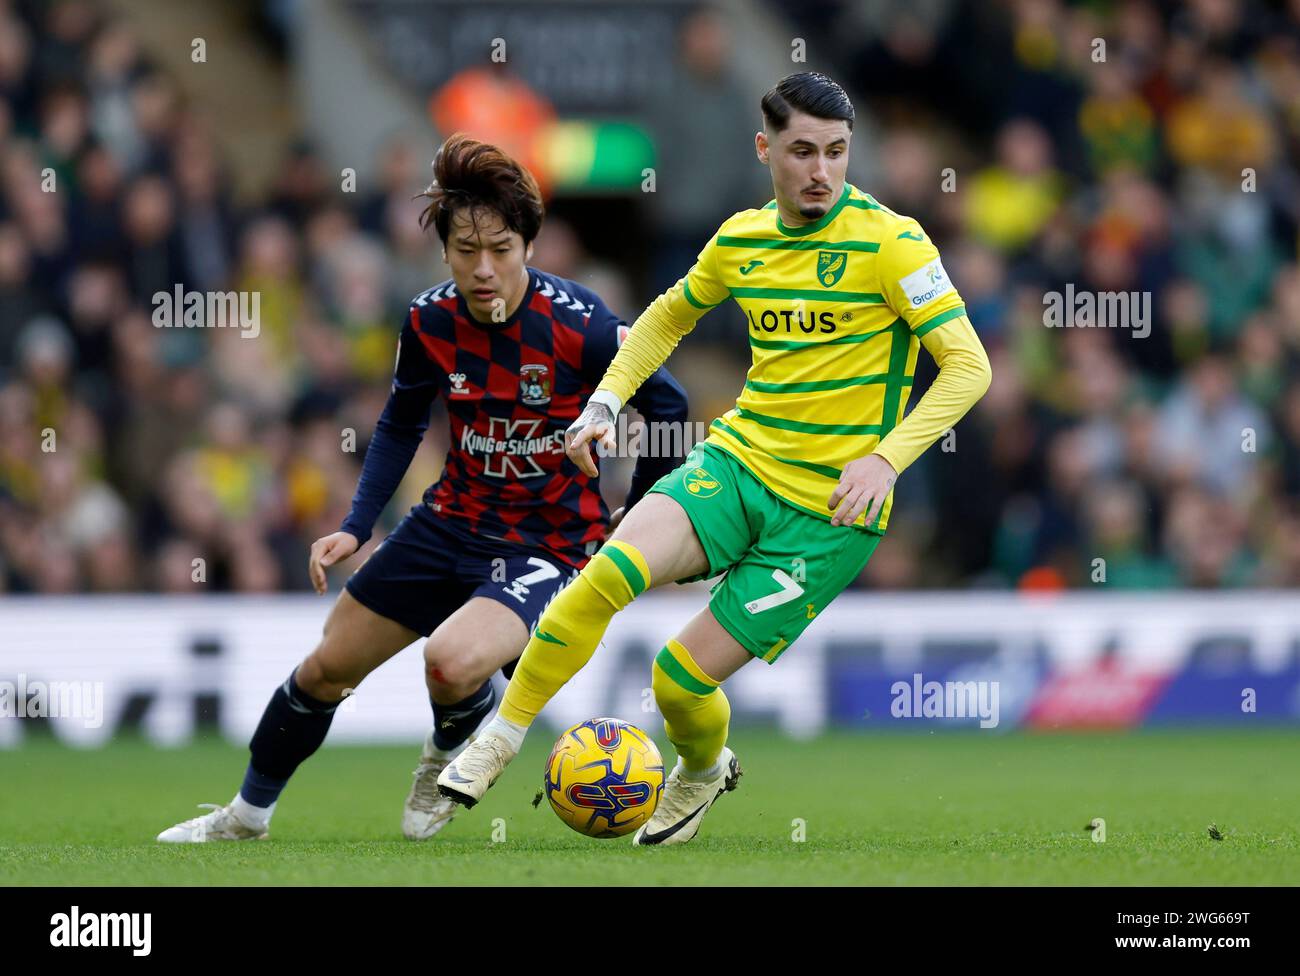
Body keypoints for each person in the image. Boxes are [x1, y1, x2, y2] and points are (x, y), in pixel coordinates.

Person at [437, 73, 993, 846]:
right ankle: (500, 735)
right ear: (766, 149)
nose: (820, 171)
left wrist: (888, 461)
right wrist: (603, 402)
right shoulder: (742, 239)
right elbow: (665, 317)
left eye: (836, 152)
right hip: (739, 461)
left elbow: (969, 367)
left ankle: (700, 771)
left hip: (829, 514)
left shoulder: (892, 242)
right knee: (607, 572)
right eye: (802, 151)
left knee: (678, 679)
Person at [156, 134, 688, 842]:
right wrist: (357, 522)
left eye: (500, 248)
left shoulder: (581, 324)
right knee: (323, 671)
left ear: (529, 244)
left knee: (450, 661)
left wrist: (637, 519)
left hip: (547, 541)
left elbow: (670, 403)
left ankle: (445, 747)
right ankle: (245, 817)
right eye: (467, 251)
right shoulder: (429, 320)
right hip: (447, 522)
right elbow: (401, 423)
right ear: (444, 250)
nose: (485, 268)